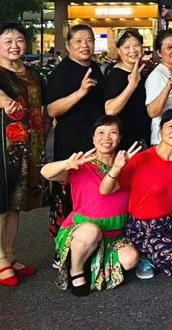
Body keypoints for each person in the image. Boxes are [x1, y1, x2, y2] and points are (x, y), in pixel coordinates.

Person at [99, 109, 172, 280]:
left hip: (170, 220)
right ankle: (146, 256)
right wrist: (116, 168)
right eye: (170, 126)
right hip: (143, 226)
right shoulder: (141, 159)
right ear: (160, 130)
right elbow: (105, 189)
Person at [41, 116, 140, 295]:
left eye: (113, 132)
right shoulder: (82, 163)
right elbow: (46, 172)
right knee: (91, 232)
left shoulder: (125, 164)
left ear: (119, 138)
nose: (106, 137)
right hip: (83, 228)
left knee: (130, 260)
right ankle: (76, 269)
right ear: (93, 138)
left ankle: (89, 258)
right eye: (101, 133)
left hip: (114, 233)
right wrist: (67, 164)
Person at [46, 24, 105, 238]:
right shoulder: (60, 72)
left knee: (92, 193)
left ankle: (89, 242)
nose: (84, 45)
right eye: (78, 41)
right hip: (70, 142)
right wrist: (80, 92)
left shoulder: (95, 68)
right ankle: (64, 244)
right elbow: (52, 109)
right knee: (68, 193)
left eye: (89, 40)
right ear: (68, 45)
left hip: (95, 142)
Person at [0, 23, 46, 285]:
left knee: (16, 203)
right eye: (8, 41)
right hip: (3, 146)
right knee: (1, 202)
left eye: (19, 40)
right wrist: (5, 102)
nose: (14, 45)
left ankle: (10, 254)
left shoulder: (33, 74)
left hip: (29, 146)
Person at [104, 29, 149, 150]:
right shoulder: (116, 75)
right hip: (126, 139)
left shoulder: (139, 71)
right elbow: (110, 110)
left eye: (136, 45)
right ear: (119, 50)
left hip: (142, 135)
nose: (133, 50)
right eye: (127, 47)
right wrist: (131, 85)